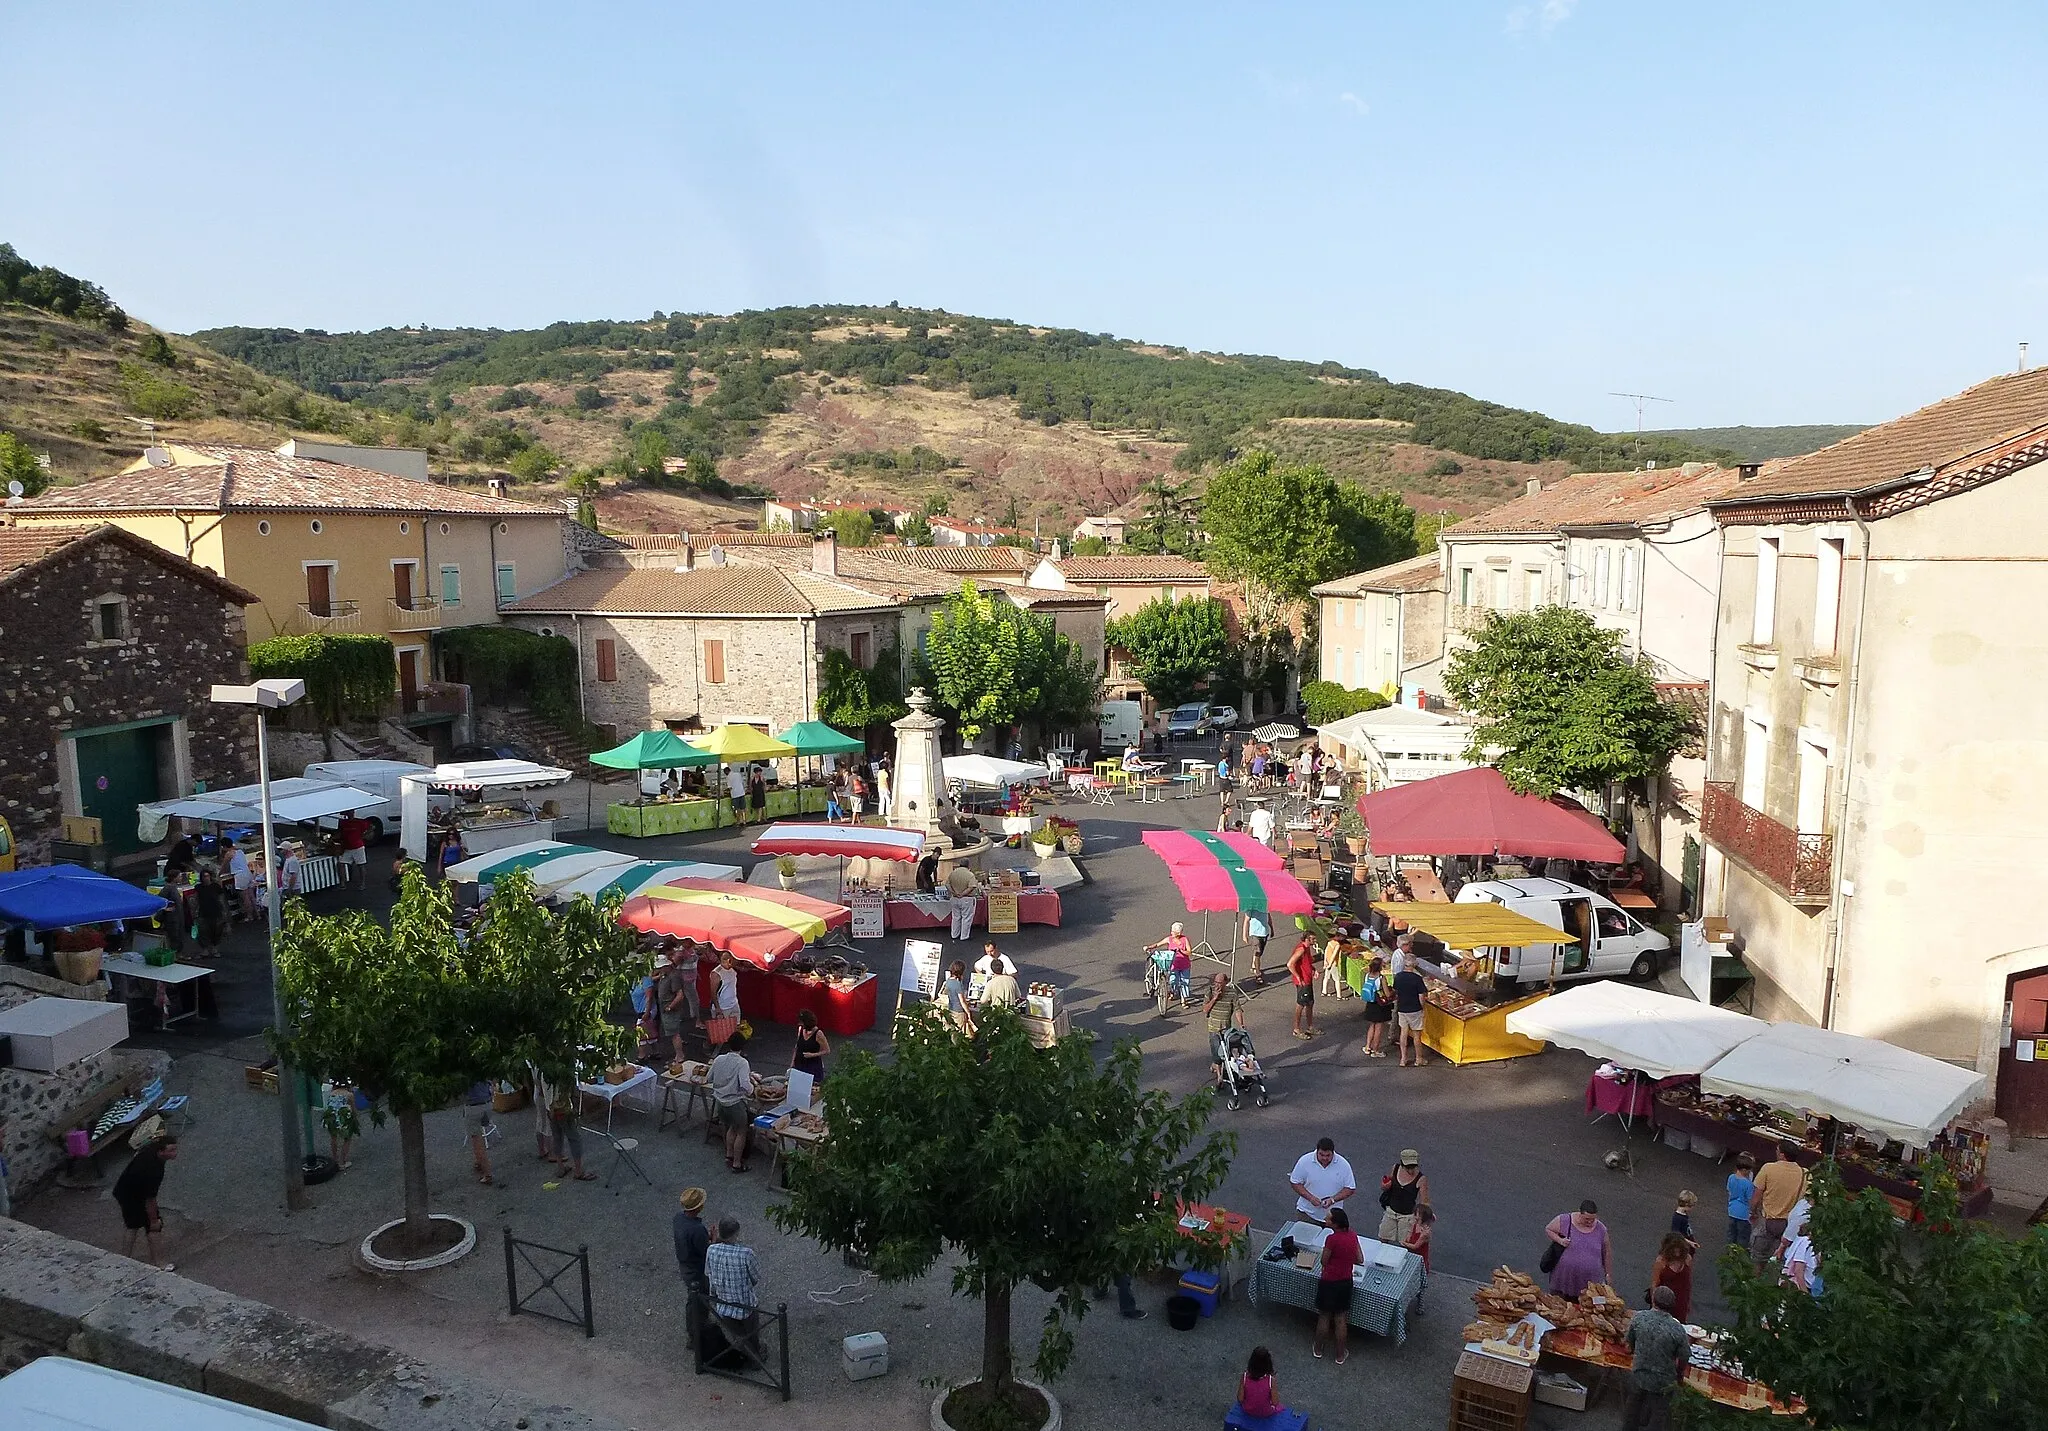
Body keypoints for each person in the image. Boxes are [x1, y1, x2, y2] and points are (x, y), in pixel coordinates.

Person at [1623, 1285, 1689, 1431]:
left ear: (1653, 1300)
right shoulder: (1677, 1329)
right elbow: (1684, 1356)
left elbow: (1628, 1345)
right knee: (1658, 1417)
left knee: (1632, 1411)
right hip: (1663, 1381)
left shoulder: (1639, 1318)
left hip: (1639, 1374)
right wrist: (1679, 1374)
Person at [113, 1125, 178, 1268]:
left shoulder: (149, 1151)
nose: (175, 1153)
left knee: (132, 1226)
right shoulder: (154, 1170)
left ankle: (123, 1260)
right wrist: (154, 1220)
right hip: (134, 1195)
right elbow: (150, 1199)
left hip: (124, 1191)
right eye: (171, 1150)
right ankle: (160, 1263)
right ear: (161, 1152)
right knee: (153, 1227)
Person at [703, 1215, 762, 1354]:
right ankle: (755, 1357)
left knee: (737, 1333)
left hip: (723, 1302)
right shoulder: (746, 1254)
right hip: (745, 1303)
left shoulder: (711, 1250)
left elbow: (708, 1272)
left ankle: (744, 1352)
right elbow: (755, 1277)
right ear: (735, 1234)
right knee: (751, 1334)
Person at [1314, 1205, 1362, 1363]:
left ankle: (1318, 1349)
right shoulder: (1353, 1236)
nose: (1325, 1220)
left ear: (1335, 1224)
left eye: (1328, 1219)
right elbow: (1359, 1259)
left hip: (1329, 1281)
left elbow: (1324, 1261)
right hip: (1345, 1281)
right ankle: (1340, 1354)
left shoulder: (1331, 1239)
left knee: (1324, 1316)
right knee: (1341, 1318)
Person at [1749, 1142, 1809, 1270]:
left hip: (1767, 1220)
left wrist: (1752, 1212)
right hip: (1789, 1224)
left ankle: (1754, 1283)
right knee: (1784, 1259)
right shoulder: (1805, 1173)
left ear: (1782, 1154)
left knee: (1758, 1258)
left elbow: (1756, 1196)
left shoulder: (1768, 1168)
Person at [709, 1033, 758, 1173]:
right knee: (741, 1132)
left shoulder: (719, 1059)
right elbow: (745, 1085)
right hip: (735, 1103)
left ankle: (728, 1155)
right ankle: (737, 1163)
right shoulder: (742, 1063)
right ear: (743, 1047)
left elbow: (709, 1077)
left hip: (720, 1101)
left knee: (731, 1128)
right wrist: (752, 1089)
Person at [1545, 1199, 1612, 1298]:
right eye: (1586, 1219)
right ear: (1580, 1214)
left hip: (1589, 1281)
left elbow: (1606, 1252)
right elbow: (1549, 1229)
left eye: (1593, 1219)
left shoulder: (1601, 1229)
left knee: (1586, 1306)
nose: (1590, 1222)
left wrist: (1608, 1274)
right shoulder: (1565, 1220)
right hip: (1564, 1278)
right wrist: (1560, 1240)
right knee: (1559, 1304)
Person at [1289, 1137, 1356, 1226]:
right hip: (1307, 1214)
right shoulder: (1305, 1161)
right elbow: (1295, 1182)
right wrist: (1311, 1198)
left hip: (1332, 1218)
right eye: (1321, 1154)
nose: (1324, 1158)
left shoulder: (1343, 1165)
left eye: (1328, 1155)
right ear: (1317, 1151)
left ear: (1333, 1153)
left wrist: (1332, 1200)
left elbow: (1350, 1188)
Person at [547, 1077, 597, 1181]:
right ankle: (578, 1171)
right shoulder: (562, 1070)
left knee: (557, 1137)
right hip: (563, 1109)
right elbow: (570, 1089)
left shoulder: (541, 1068)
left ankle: (560, 1168)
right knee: (574, 1139)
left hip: (550, 1108)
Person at [1202, 971, 1246, 1086]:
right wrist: (1214, 998)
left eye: (1220, 983)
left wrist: (1241, 1024)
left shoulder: (1232, 993)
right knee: (1216, 1052)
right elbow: (1205, 1010)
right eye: (1216, 982)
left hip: (1226, 1028)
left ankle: (1218, 1066)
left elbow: (1237, 1009)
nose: (1217, 985)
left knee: (1226, 1052)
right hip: (1214, 1028)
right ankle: (1220, 1077)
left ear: (1225, 983)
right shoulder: (1210, 992)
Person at [1378, 1148, 1428, 1246]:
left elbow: (1425, 1202)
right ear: (1402, 1164)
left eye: (1413, 1166)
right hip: (1391, 1211)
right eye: (1407, 1167)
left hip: (1407, 1216)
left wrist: (1421, 1220)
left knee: (1405, 1244)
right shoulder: (1395, 1168)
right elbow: (1387, 1185)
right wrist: (1385, 1186)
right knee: (1383, 1238)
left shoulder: (1421, 1179)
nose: (1410, 1170)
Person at [662, 946, 702, 1058]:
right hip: (684, 981)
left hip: (688, 980)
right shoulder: (680, 953)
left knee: (691, 1002)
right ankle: (679, 1052)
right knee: (691, 1002)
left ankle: (693, 1021)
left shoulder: (689, 951)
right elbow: (675, 964)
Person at [1144, 923, 1195, 1008]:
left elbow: (1189, 952)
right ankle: (1173, 992)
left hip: (1184, 965)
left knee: (1184, 982)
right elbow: (1157, 944)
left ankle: (1184, 1000)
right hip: (1173, 965)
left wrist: (1181, 951)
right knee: (1173, 981)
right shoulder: (1169, 939)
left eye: (1173, 932)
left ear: (1179, 933)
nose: (1171, 932)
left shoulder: (1185, 939)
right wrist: (1149, 947)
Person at [673, 1186, 711, 1301]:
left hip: (685, 1265)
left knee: (694, 1295)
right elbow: (706, 1252)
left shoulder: (678, 1218)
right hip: (696, 1270)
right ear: (698, 1208)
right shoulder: (697, 1229)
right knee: (700, 1298)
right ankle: (698, 1318)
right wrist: (713, 1239)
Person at [1391, 954, 1428, 1066]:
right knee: (1417, 1035)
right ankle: (1419, 1058)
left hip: (1402, 1008)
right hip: (1415, 1009)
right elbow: (1421, 996)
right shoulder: (1417, 978)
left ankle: (1403, 1059)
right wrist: (1422, 1007)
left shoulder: (1398, 976)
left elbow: (1396, 991)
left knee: (1403, 1033)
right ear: (1414, 964)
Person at [1649, 1231, 1694, 1322]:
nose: (1677, 1251)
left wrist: (1687, 1302)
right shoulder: (1661, 1262)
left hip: (1681, 1300)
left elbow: (1688, 1283)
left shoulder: (1687, 1259)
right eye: (1674, 1248)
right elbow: (1654, 1284)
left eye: (1679, 1248)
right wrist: (1654, 1305)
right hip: (1664, 1301)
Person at [461, 1080, 496, 1186]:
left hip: (473, 1106)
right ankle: (478, 1162)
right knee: (479, 1132)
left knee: (477, 1140)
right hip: (488, 1103)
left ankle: (487, 1174)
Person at [705, 951, 742, 1049]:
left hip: (733, 1003)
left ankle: (732, 1048)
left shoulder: (732, 970)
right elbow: (713, 992)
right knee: (717, 1030)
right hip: (723, 1006)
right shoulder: (716, 974)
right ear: (729, 960)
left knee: (735, 1027)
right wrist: (717, 1008)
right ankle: (709, 1047)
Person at [1360, 956, 1393, 1059]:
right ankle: (1376, 1050)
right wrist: (1392, 992)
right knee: (1379, 1027)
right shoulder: (1381, 978)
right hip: (1379, 1004)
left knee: (1372, 1026)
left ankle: (1367, 1047)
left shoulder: (1367, 975)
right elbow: (1387, 994)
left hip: (1370, 1003)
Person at [193, 870, 232, 956]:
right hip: (203, 912)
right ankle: (205, 949)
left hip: (216, 912)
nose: (206, 878)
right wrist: (195, 912)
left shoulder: (216, 887)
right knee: (203, 932)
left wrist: (224, 912)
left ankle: (215, 949)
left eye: (207, 876)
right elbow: (195, 900)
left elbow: (221, 900)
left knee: (217, 931)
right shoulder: (198, 887)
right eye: (204, 876)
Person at [1237, 1346, 1283, 1420]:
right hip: (1266, 1412)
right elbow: (1275, 1402)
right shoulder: (1270, 1380)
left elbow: (1240, 1398)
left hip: (1247, 1409)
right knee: (1280, 1408)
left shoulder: (1245, 1376)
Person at [1726, 1152, 1757, 1251]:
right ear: (1744, 1170)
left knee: (1731, 1233)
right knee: (1742, 1236)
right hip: (1743, 1213)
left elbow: (1729, 1192)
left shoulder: (1731, 1177)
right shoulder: (1748, 1184)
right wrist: (1753, 1212)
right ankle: (1739, 1254)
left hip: (1732, 1210)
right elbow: (1750, 1199)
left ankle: (1729, 1252)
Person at [1288, 935, 1317, 1039]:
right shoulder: (1301, 949)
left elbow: (1307, 963)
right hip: (1303, 983)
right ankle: (1296, 1029)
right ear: (1307, 939)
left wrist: (1313, 970)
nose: (1315, 940)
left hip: (1308, 981)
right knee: (1300, 1005)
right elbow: (1290, 964)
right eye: (1313, 939)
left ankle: (1310, 1027)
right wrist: (1298, 977)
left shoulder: (1307, 948)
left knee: (1310, 1003)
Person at [336, 812, 373, 892]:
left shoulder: (359, 822)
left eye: (351, 813)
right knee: (340, 864)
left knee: (361, 865)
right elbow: (340, 833)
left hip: (358, 847)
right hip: (347, 847)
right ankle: (342, 883)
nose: (350, 814)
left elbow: (371, 827)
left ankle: (362, 883)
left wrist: (364, 836)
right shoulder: (343, 822)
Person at [1781, 1228, 1823, 1297]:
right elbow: (1798, 1271)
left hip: (1812, 1285)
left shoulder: (1818, 1245)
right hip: (1798, 1286)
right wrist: (1805, 1294)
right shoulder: (1805, 1242)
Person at [792, 1009, 830, 1082]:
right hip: (799, 1063)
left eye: (802, 1022)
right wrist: (792, 1063)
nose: (800, 1024)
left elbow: (827, 1050)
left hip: (812, 1066)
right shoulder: (801, 1030)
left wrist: (812, 1055)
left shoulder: (818, 1033)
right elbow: (797, 1047)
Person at [942, 960, 976, 1035]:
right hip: (959, 1012)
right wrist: (968, 1012)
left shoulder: (948, 981)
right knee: (961, 1034)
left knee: (952, 1033)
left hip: (951, 1009)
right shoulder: (958, 984)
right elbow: (962, 1001)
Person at [226, 841, 256, 920]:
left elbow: (224, 865)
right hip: (248, 873)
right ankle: (257, 914)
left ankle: (249, 916)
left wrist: (219, 874)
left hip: (240, 876)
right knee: (251, 896)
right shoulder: (240, 851)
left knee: (245, 897)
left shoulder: (229, 854)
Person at [1243, 908, 1270, 983]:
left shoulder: (1265, 906)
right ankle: (1258, 973)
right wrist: (1244, 935)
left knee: (1259, 953)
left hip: (1265, 933)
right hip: (1255, 934)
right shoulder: (1251, 908)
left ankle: (1253, 965)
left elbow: (1268, 916)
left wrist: (1271, 928)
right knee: (1257, 953)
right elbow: (1246, 921)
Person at [1406, 1203, 1436, 1272]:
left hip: (1419, 1258)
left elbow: (1415, 1246)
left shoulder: (1425, 1233)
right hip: (1412, 1255)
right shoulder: (1415, 1225)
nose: (1414, 1216)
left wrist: (1403, 1243)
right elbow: (1409, 1238)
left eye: (1416, 1214)